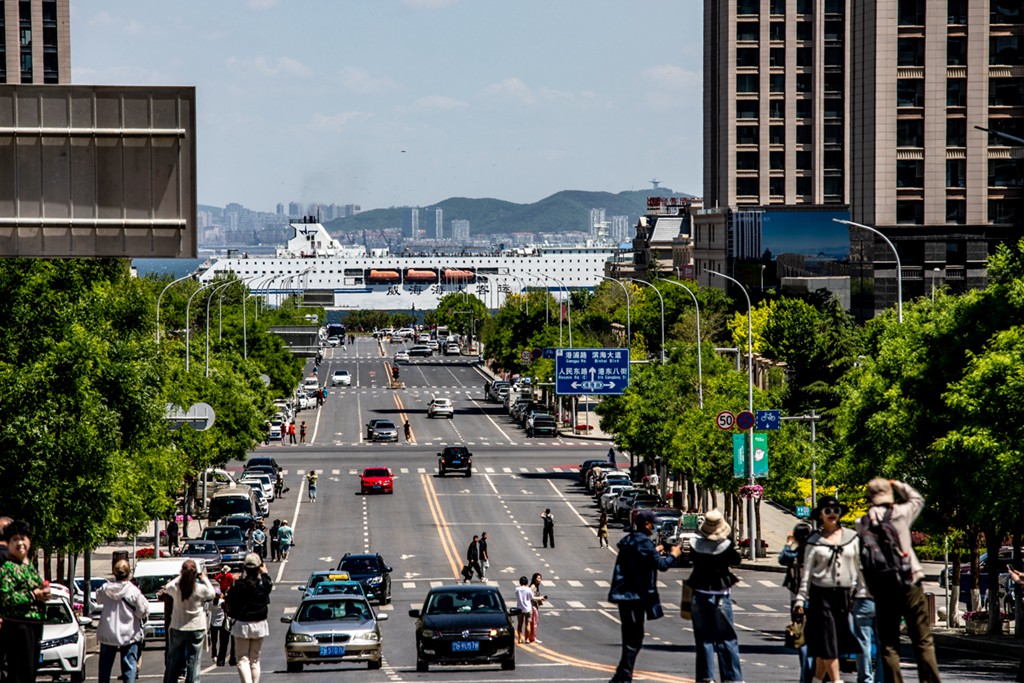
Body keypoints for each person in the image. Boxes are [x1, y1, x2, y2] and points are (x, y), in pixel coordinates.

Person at [855, 479, 941, 683]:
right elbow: (917, 498)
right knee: (922, 639)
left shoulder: (862, 522)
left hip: (883, 587)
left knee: (889, 643)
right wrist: (898, 484)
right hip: (908, 581)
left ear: (869, 498)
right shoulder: (901, 514)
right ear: (889, 495)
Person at [607, 509, 682, 683]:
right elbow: (661, 565)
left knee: (629, 637)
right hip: (636, 596)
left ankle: (622, 673)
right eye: (652, 524)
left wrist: (654, 551)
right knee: (635, 637)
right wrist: (674, 554)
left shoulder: (630, 541)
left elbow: (640, 559)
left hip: (623, 595)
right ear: (646, 524)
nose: (654, 527)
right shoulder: (644, 544)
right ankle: (624, 675)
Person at [795, 495, 862, 683]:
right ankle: (836, 680)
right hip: (820, 595)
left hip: (843, 596)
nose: (832, 514)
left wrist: (861, 590)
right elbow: (806, 574)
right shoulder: (813, 541)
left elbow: (859, 567)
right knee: (829, 640)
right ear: (821, 515)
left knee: (828, 644)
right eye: (827, 511)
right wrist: (800, 599)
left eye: (835, 511)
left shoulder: (852, 538)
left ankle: (817, 679)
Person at [687, 509, 744, 683]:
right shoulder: (725, 546)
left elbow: (692, 560)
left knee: (704, 639)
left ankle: (706, 677)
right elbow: (736, 560)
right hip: (720, 595)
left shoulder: (695, 545)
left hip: (699, 593)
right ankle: (732, 677)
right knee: (727, 637)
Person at [0, 520, 51, 683]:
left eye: (23, 538)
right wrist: (34, 595)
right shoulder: (7, 568)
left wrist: (44, 593)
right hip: (18, 625)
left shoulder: (28, 567)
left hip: (33, 624)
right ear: (8, 543)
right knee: (19, 674)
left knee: (29, 673)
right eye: (15, 539)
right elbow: (7, 598)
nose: (20, 543)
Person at [160, 559, 216, 683]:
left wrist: (180, 576)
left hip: (178, 627)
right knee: (194, 661)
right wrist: (205, 578)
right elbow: (212, 593)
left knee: (173, 659)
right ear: (195, 573)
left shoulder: (176, 588)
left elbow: (167, 587)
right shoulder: (200, 589)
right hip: (196, 628)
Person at [96, 559, 149, 683]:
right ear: (129, 573)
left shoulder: (105, 588)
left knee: (104, 668)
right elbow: (141, 611)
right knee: (129, 667)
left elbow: (98, 599)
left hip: (108, 633)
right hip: (129, 634)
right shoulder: (133, 591)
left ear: (114, 573)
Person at [225, 554, 272, 683]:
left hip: (242, 624)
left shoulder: (238, 585)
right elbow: (268, 584)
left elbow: (229, 600)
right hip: (259, 624)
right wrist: (265, 572)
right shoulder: (264, 584)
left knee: (242, 659)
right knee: (255, 659)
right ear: (258, 568)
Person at [778, 522, 814, 683]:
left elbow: (782, 559)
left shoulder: (795, 554)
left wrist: (788, 543)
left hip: (796, 602)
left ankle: (805, 677)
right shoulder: (816, 552)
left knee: (802, 640)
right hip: (816, 600)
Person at [208, 591, 230, 667]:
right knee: (222, 640)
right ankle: (220, 655)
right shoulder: (223, 602)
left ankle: (214, 655)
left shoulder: (211, 603)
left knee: (214, 640)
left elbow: (209, 611)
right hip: (222, 623)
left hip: (213, 623)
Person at [528, 573, 547, 644]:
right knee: (534, 622)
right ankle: (532, 637)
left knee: (534, 622)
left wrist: (540, 599)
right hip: (532, 606)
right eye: (538, 578)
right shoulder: (533, 586)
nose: (539, 580)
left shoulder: (536, 586)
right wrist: (539, 598)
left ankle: (532, 637)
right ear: (534, 579)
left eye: (540, 578)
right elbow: (530, 596)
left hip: (534, 606)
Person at [514, 576, 533, 643]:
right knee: (527, 624)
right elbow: (531, 597)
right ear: (527, 582)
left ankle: (519, 638)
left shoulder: (517, 589)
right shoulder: (528, 589)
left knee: (520, 624)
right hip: (527, 608)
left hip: (519, 608)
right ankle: (527, 639)